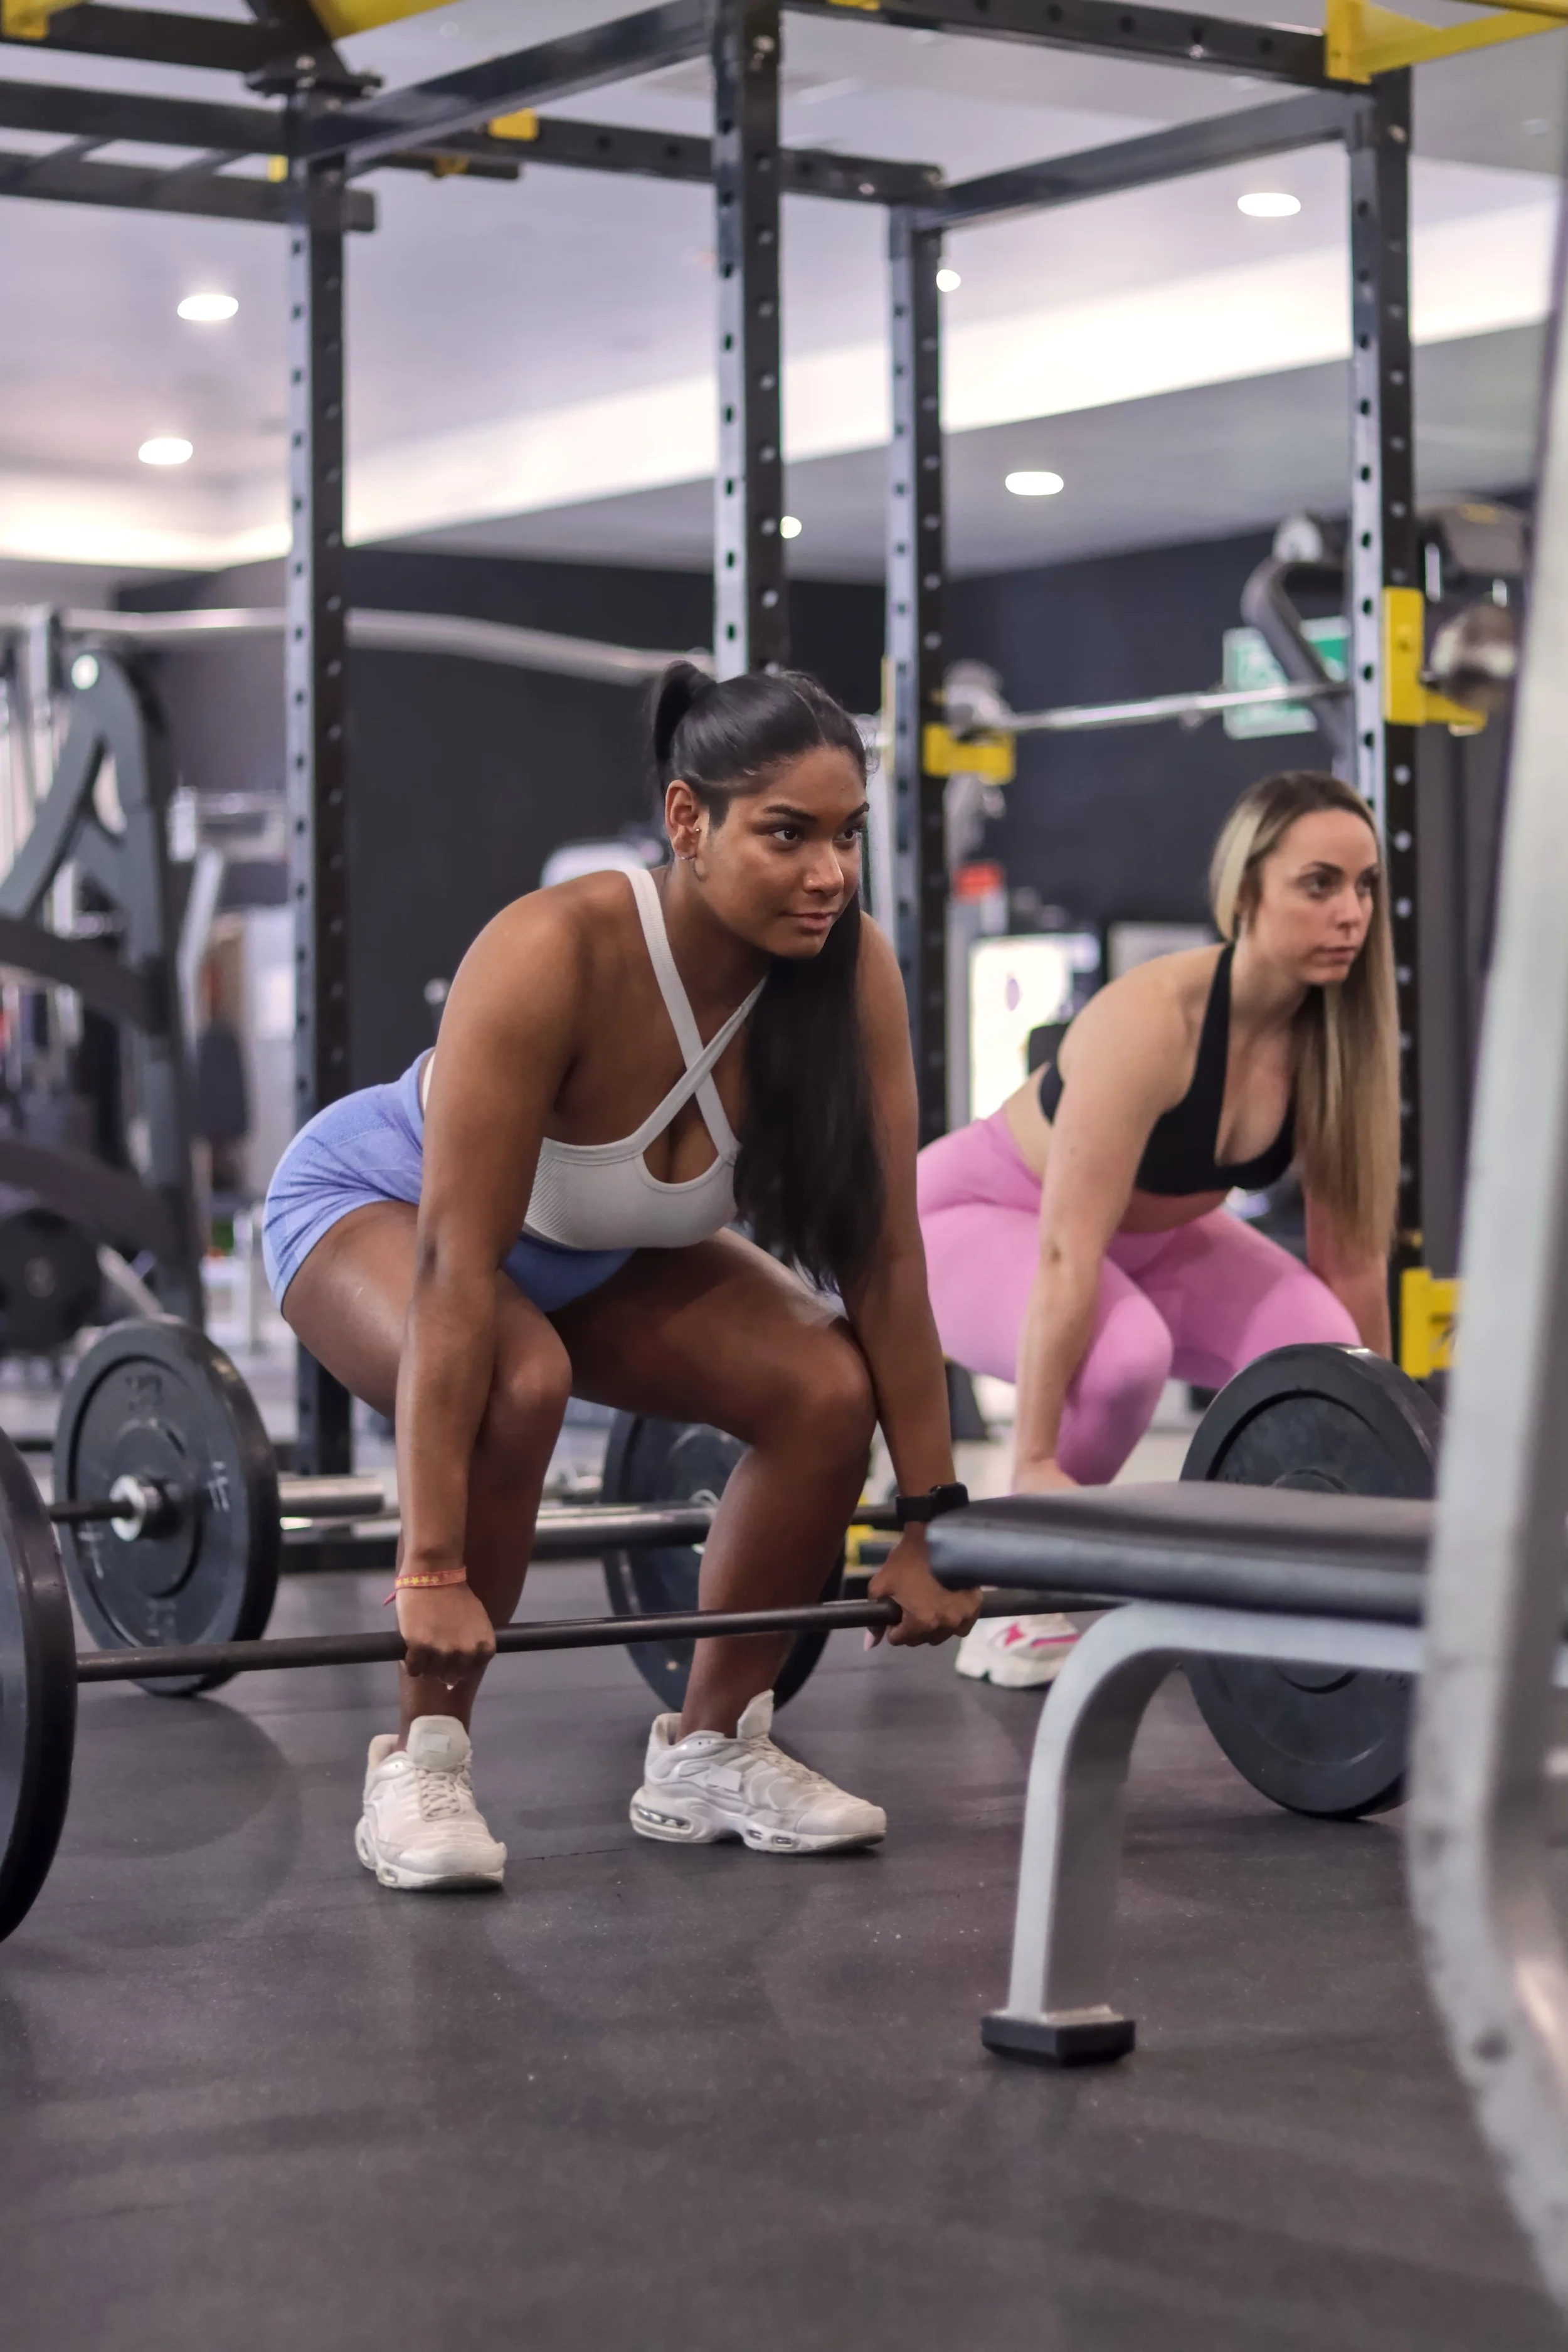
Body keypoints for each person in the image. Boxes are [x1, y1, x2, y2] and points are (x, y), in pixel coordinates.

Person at [263, 663, 978, 1892]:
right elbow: (452, 1267)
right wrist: (428, 1566)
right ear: (687, 820)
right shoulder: (555, 949)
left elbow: (887, 1255)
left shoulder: (841, 973)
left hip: (596, 1250)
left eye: (847, 837)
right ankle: (420, 1759)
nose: (829, 873)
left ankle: (708, 1748)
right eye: (788, 834)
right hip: (373, 1210)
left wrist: (930, 1519)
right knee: (517, 1375)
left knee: (820, 1387)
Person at [918, 770, 1397, 1688]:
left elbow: (1353, 1262)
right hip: (978, 1217)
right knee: (1124, 1352)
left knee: (1323, 1347)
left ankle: (1263, 1585)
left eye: (1366, 885)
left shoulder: (1339, 1040)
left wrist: (1391, 1477)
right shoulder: (1155, 1018)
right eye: (1320, 883)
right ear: (1246, 892)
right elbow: (1065, 1250)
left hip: (1151, 1246)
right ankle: (1025, 1592)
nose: (1351, 912)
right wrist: (1035, 1463)